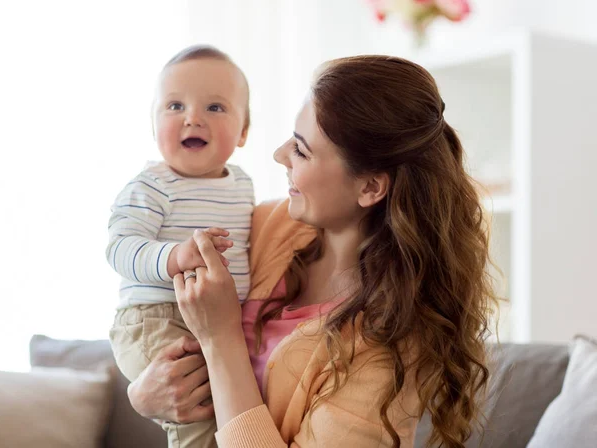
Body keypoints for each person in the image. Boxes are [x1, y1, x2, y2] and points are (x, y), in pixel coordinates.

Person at [127, 55, 497, 448]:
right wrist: (143, 396)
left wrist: (220, 340)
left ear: (370, 187)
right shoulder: (270, 226)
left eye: (301, 151)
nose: (279, 155)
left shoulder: (389, 348)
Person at [106, 45, 254, 448]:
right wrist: (175, 256)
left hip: (218, 322)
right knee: (198, 418)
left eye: (216, 108)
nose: (192, 117)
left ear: (243, 131)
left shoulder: (242, 185)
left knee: (234, 411)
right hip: (155, 317)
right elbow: (119, 248)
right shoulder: (152, 185)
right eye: (174, 106)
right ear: (153, 125)